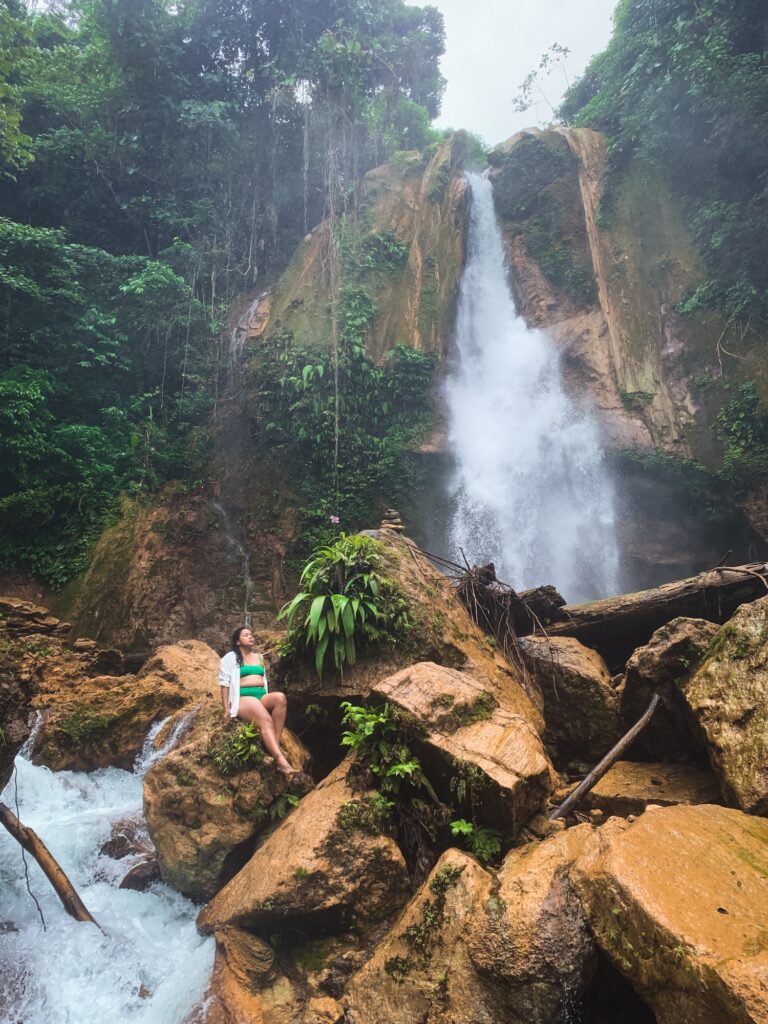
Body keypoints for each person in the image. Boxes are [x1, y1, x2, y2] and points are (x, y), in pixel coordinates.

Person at [219, 626, 299, 777]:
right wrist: (226, 709)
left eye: (251, 635)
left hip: (261, 696)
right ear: (237, 641)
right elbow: (224, 684)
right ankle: (281, 762)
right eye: (246, 635)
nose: (250, 637)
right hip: (243, 698)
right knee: (267, 721)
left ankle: (273, 745)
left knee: (280, 698)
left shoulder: (259, 657)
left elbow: (263, 680)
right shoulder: (230, 658)